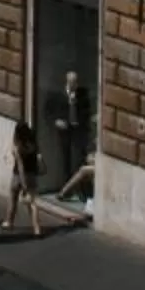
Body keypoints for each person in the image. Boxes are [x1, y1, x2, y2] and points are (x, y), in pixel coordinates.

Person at [54, 70, 97, 201]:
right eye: (72, 82)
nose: (74, 85)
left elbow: (87, 110)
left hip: (78, 130)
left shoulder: (82, 94)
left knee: (79, 159)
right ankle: (67, 189)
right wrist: (57, 120)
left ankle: (80, 192)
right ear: (67, 82)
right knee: (66, 160)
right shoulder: (60, 94)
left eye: (76, 82)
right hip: (65, 131)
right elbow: (51, 110)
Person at [4, 119, 43, 236]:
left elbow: (20, 166)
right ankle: (37, 228)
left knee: (13, 198)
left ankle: (9, 222)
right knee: (32, 203)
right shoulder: (33, 142)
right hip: (32, 174)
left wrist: (23, 183)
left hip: (18, 176)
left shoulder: (18, 146)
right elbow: (38, 155)